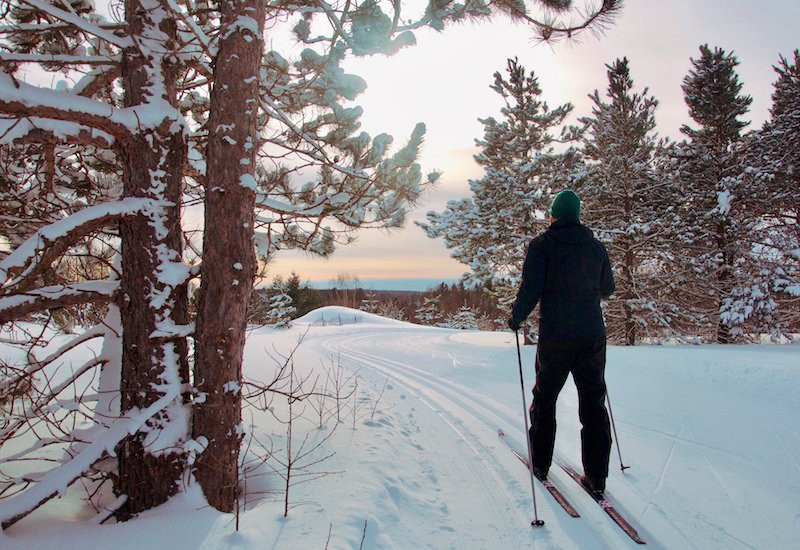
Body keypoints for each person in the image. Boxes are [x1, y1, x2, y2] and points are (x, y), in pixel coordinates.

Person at [507, 189, 615, 497]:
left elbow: (531, 289)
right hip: (592, 336)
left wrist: (516, 317)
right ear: (577, 216)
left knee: (545, 398)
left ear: (555, 215)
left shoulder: (542, 246)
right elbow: (607, 288)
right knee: (593, 402)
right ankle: (597, 477)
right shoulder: (596, 248)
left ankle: (540, 464)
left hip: (557, 336)